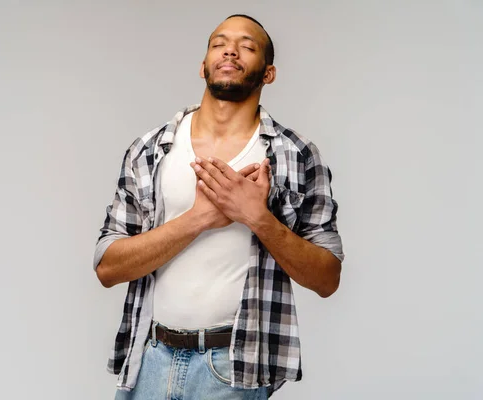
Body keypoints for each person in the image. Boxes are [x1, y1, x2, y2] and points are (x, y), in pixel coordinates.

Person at [93, 14, 344, 399]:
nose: (230, 50)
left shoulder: (295, 155)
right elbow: (108, 267)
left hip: (233, 368)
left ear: (269, 73)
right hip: (149, 360)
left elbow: (327, 279)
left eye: (248, 45)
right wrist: (199, 219)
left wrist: (257, 217)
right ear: (204, 65)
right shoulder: (150, 150)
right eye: (219, 43)